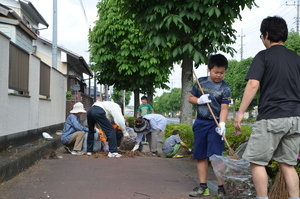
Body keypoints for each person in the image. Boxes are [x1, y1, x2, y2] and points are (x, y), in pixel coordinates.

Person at [234, 16, 300, 199]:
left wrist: (240, 113)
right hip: (295, 118)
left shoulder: (263, 56)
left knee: (257, 162)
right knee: (288, 164)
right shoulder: (296, 58)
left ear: (267, 35)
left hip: (272, 117)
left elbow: (253, 85)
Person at [188, 54, 231, 198]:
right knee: (200, 155)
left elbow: (224, 108)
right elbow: (190, 98)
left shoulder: (225, 88)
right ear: (209, 69)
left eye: (222, 72)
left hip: (215, 124)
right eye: (216, 72)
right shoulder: (201, 82)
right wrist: (199, 100)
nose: (219, 75)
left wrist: (222, 123)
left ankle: (221, 188)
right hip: (200, 122)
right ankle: (203, 187)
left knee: (216, 156)